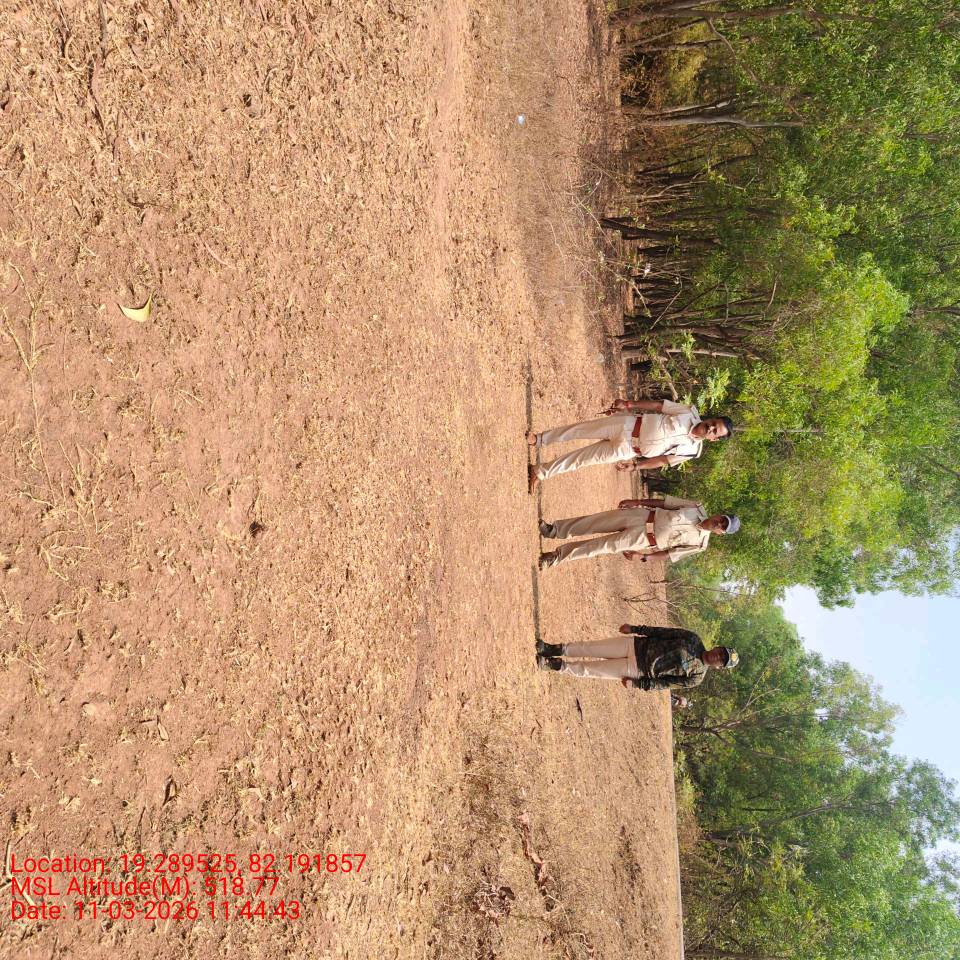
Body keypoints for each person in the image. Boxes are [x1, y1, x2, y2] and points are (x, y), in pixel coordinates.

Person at [526, 398, 733, 491]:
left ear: (714, 439)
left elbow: (663, 460)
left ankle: (540, 472)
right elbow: (659, 406)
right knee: (580, 430)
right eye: (714, 424)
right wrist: (628, 404)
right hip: (627, 425)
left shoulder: (692, 451)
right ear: (712, 419)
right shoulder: (688, 412)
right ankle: (540, 439)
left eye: (715, 432)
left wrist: (636, 466)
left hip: (627, 450)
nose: (711, 428)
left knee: (582, 460)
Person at [537, 494, 740, 569]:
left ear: (721, 533)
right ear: (719, 515)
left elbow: (669, 555)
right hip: (642, 516)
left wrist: (642, 557)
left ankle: (555, 558)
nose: (719, 524)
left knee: (598, 547)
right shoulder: (696, 506)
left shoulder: (700, 544)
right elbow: (665, 503)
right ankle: (553, 530)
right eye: (722, 519)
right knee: (594, 522)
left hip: (642, 540)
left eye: (723, 527)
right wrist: (637, 501)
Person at [535, 623, 739, 689]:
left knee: (591, 670)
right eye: (721, 652)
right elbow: (662, 632)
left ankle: (554, 665)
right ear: (717, 647)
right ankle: (552, 649)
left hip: (638, 669)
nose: (718, 656)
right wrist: (635, 628)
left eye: (722, 660)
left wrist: (639, 684)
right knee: (589, 648)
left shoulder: (696, 677)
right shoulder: (693, 639)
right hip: (634, 645)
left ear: (719, 667)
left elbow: (665, 684)